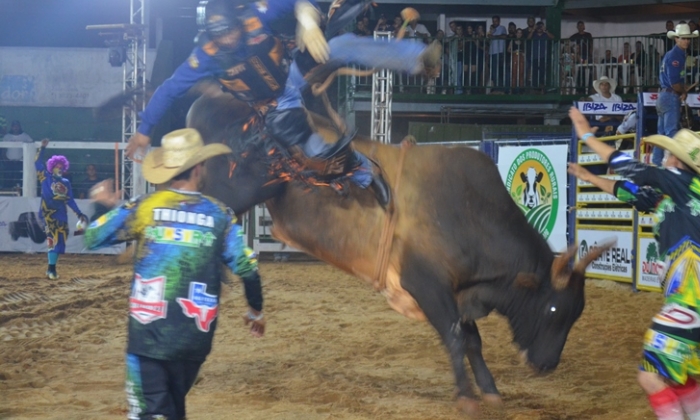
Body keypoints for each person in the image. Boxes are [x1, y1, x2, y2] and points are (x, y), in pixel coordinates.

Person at [126, 0, 441, 209]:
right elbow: (169, 89)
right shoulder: (204, 57)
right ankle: (368, 175)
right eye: (219, 36)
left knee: (341, 45)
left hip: (291, 69)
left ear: (239, 22)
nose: (226, 41)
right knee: (316, 153)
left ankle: (418, 58)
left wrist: (307, 19)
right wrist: (143, 131)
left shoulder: (255, 14)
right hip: (273, 106)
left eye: (229, 33)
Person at [84, 128, 267, 420]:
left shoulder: (147, 206)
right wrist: (255, 311)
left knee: (151, 413)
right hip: (195, 339)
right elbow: (248, 268)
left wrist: (102, 204)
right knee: (172, 409)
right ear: (197, 168)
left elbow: (92, 237)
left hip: (149, 336)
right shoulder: (220, 215)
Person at [568, 106, 700, 420]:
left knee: (650, 376)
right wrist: (590, 177)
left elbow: (632, 169)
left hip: (692, 297)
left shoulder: (681, 183)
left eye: (667, 154)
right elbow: (634, 193)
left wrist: (587, 135)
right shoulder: (685, 194)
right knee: (676, 376)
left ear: (677, 162)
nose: (662, 157)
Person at [35, 139, 87, 280]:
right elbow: (37, 163)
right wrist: (42, 148)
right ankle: (51, 270)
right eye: (57, 166)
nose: (60, 168)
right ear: (52, 167)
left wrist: (79, 213)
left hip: (61, 214)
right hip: (48, 213)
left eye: (61, 166)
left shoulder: (66, 182)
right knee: (52, 239)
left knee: (60, 242)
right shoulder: (45, 177)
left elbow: (69, 199)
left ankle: (50, 268)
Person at [654, 23, 699, 166]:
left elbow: (672, 81)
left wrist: (681, 88)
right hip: (670, 96)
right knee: (671, 131)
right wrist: (683, 90)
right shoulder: (676, 56)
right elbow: (674, 84)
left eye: (688, 38)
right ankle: (673, 164)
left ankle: (657, 164)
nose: (686, 41)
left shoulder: (672, 54)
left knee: (662, 134)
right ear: (676, 39)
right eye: (683, 38)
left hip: (663, 95)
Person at [2, 120, 35, 190]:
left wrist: (25, 157)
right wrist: (4, 158)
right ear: (11, 127)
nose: (15, 127)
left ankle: (20, 191)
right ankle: (8, 191)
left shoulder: (25, 136)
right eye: (14, 126)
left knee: (19, 177)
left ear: (20, 127)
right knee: (8, 177)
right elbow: (3, 149)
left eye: (17, 126)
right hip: (9, 161)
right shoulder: (7, 137)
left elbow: (32, 144)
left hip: (20, 161)